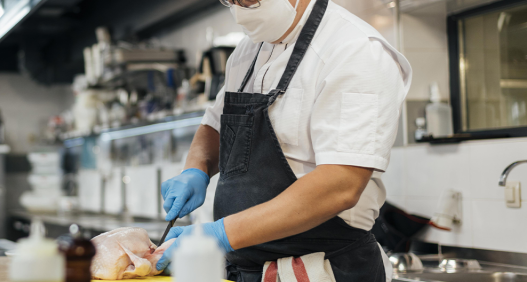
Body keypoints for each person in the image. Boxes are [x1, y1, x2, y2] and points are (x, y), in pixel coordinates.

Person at [155, 0, 411, 281]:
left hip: (324, 270)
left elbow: (341, 185)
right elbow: (215, 124)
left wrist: (220, 234)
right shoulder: (247, 51)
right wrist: (196, 168)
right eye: (229, 0)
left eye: (247, 0)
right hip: (248, 268)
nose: (238, 10)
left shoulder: (356, 50)